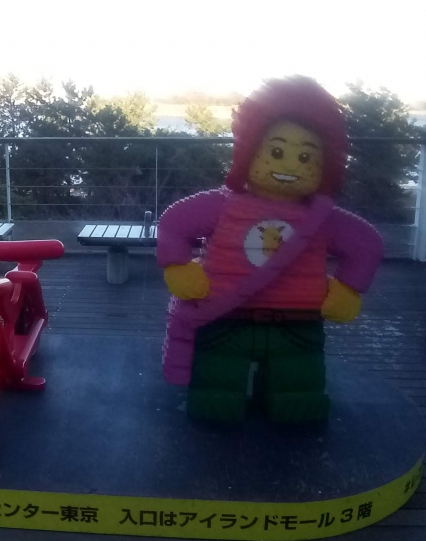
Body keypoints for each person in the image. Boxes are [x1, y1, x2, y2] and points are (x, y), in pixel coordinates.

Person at [157, 76, 384, 423]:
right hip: (225, 317)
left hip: (297, 324)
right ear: (249, 149)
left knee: (296, 391)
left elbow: (366, 244)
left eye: (306, 156)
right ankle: (216, 407)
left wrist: (348, 289)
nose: (291, 166)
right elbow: (174, 224)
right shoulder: (223, 206)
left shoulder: (322, 219)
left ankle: (291, 409)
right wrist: (179, 267)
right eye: (276, 152)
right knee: (216, 389)